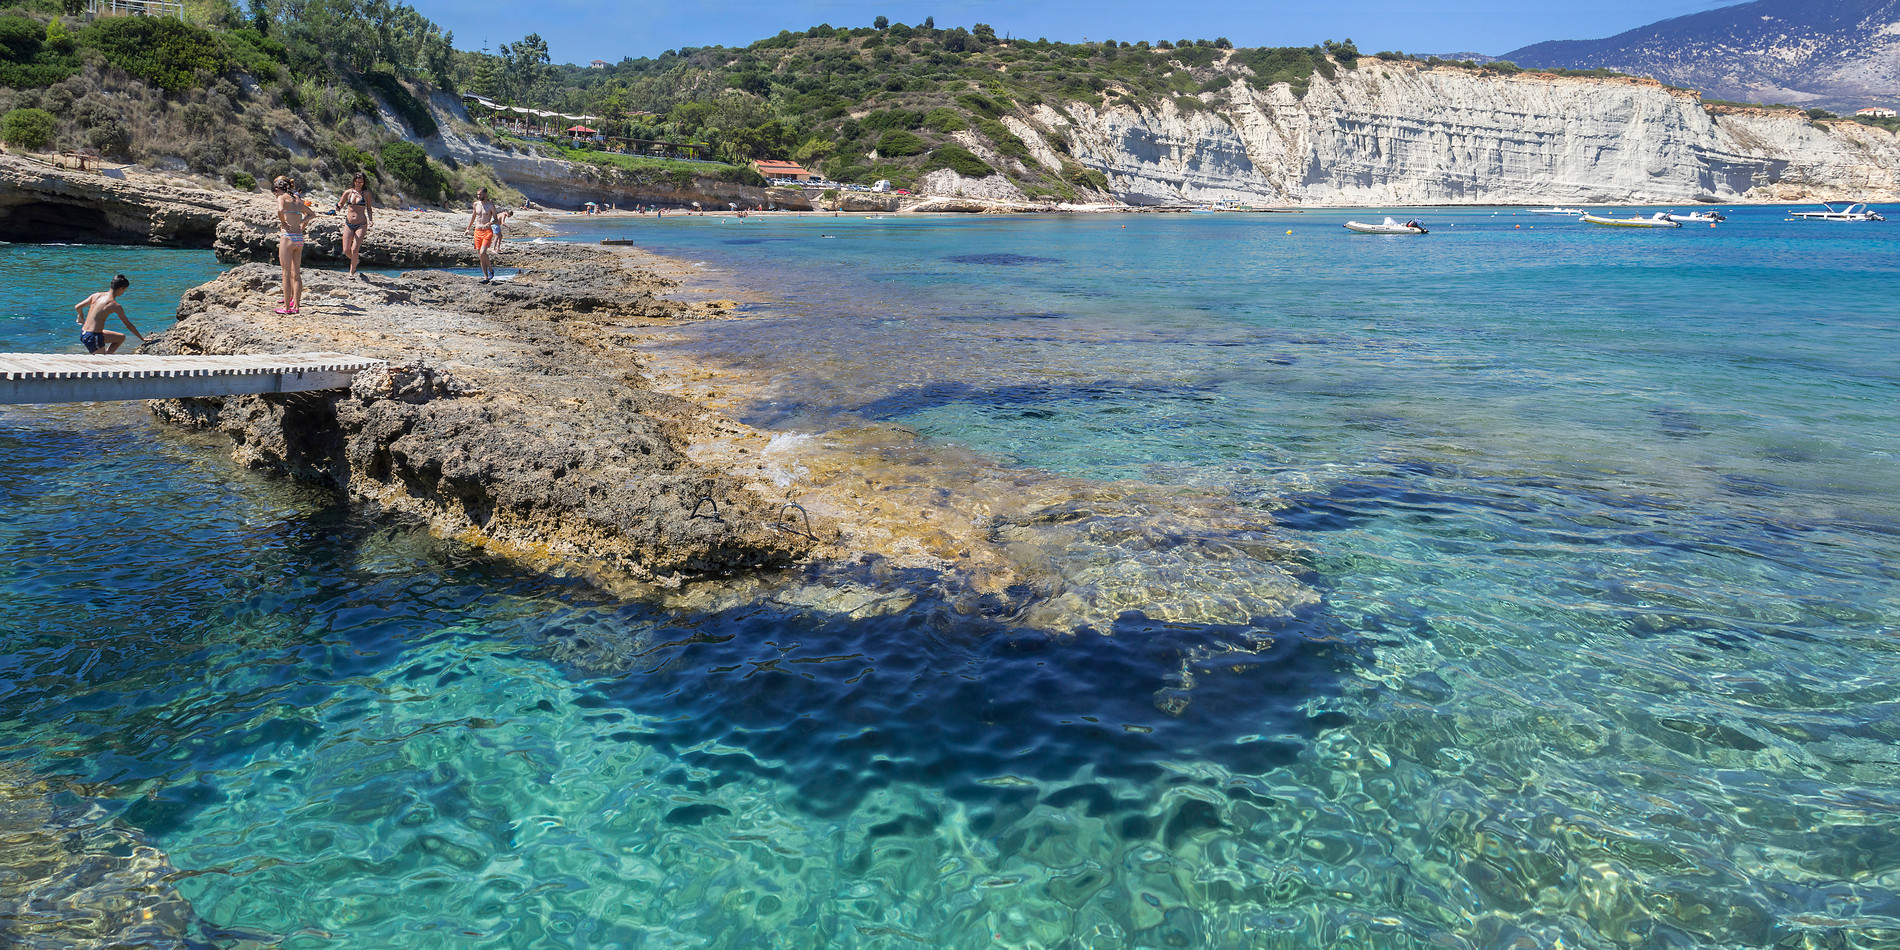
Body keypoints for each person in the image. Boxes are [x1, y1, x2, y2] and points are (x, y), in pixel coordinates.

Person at [73, 274, 144, 354]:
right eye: (124, 290)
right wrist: (141, 338)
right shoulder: (114, 305)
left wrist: (80, 316)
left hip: (84, 333)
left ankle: (107, 355)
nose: (123, 292)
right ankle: (103, 356)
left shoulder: (96, 295)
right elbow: (128, 325)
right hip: (93, 337)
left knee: (120, 338)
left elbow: (77, 307)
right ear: (121, 289)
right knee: (101, 363)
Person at [273, 175, 306, 314]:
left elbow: (280, 210)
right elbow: (311, 214)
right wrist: (301, 224)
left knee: (286, 274)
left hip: (287, 237)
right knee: (296, 274)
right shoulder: (297, 199)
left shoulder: (282, 198)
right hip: (299, 237)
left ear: (277, 189)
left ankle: (287, 308)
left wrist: (283, 223)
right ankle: (296, 307)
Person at [464, 187, 509, 284]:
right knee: (481, 255)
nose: (478, 196)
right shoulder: (476, 204)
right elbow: (473, 217)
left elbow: (496, 219)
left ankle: (490, 269)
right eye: (477, 194)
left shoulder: (490, 205)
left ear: (485, 194)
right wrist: (467, 228)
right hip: (477, 231)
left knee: (483, 251)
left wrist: (490, 223)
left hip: (487, 232)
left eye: (480, 194)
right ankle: (485, 277)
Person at [335, 171, 374, 279]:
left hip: (361, 224)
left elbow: (369, 208)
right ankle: (355, 260)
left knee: (354, 248)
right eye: (357, 181)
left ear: (364, 182)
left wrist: (371, 220)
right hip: (348, 224)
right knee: (346, 250)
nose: (358, 184)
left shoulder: (366, 194)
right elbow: (341, 203)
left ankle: (351, 272)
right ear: (354, 181)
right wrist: (337, 207)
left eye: (361, 182)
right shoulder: (348, 192)